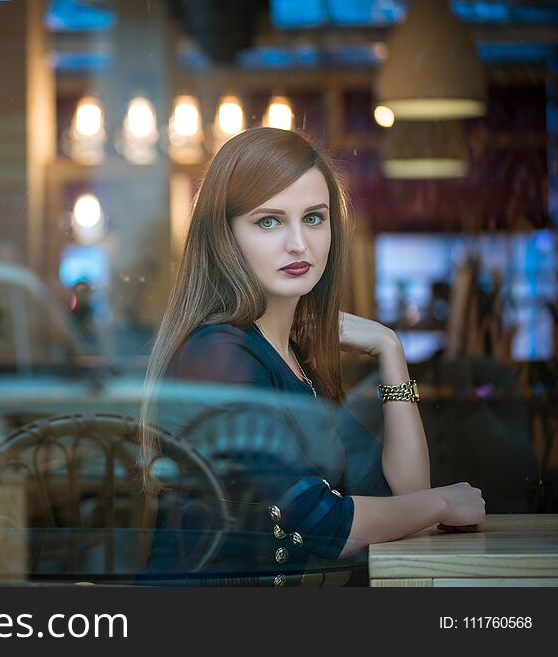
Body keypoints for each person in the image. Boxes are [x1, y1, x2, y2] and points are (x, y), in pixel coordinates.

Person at [138, 128, 486, 574]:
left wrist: (390, 350)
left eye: (314, 218)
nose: (299, 243)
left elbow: (405, 499)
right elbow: (323, 526)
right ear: (224, 237)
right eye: (269, 221)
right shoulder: (218, 354)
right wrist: (440, 503)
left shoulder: (296, 363)